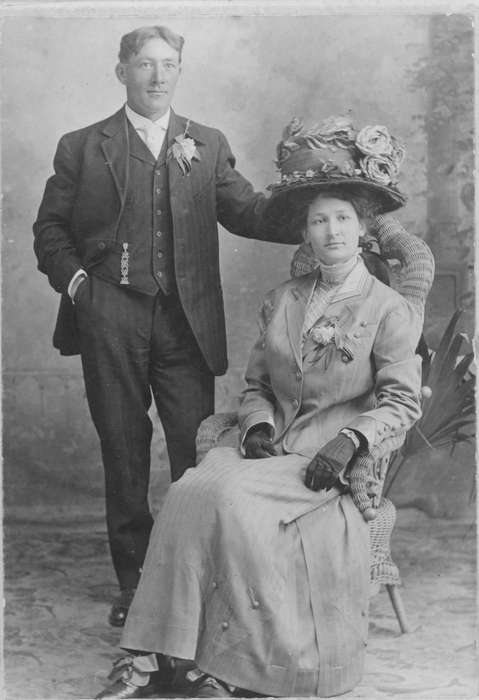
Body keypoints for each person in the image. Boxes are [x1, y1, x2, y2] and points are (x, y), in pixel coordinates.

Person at [94, 116, 434, 699]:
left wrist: (350, 442)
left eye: (343, 219)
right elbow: (256, 384)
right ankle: (148, 656)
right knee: (188, 490)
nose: (331, 231)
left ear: (362, 231)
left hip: (327, 460)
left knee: (232, 503)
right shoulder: (283, 300)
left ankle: (222, 669)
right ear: (305, 233)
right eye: (318, 220)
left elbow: (402, 403)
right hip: (269, 445)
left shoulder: (388, 309)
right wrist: (254, 424)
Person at [32, 25, 302, 627]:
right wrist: (82, 289)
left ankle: (193, 585)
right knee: (123, 451)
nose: (158, 76)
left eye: (169, 64)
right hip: (110, 319)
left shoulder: (205, 142)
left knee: (196, 453)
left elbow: (250, 211)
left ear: (180, 71)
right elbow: (49, 232)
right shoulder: (81, 146)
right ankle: (135, 587)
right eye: (145, 64)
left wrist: (317, 205)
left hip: (185, 322)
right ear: (121, 70)